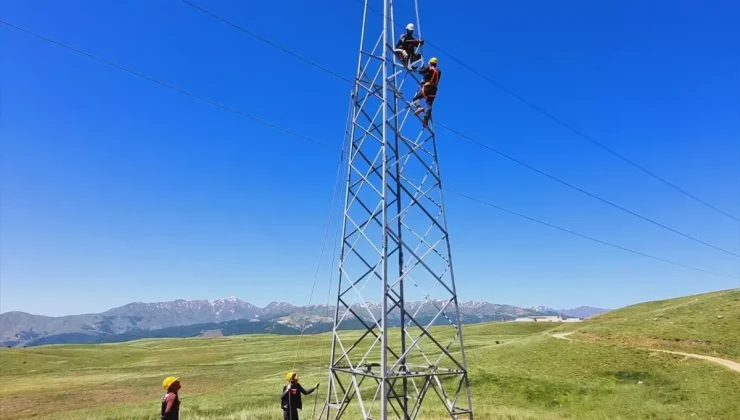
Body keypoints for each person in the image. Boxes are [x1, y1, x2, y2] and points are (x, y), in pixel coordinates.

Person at [411, 57, 441, 128]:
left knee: (415, 99)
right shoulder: (439, 72)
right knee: (429, 104)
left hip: (428, 86)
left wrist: (422, 69)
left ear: (430, 63)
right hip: (434, 89)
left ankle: (419, 107)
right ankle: (426, 118)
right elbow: (431, 76)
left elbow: (421, 71)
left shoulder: (430, 68)